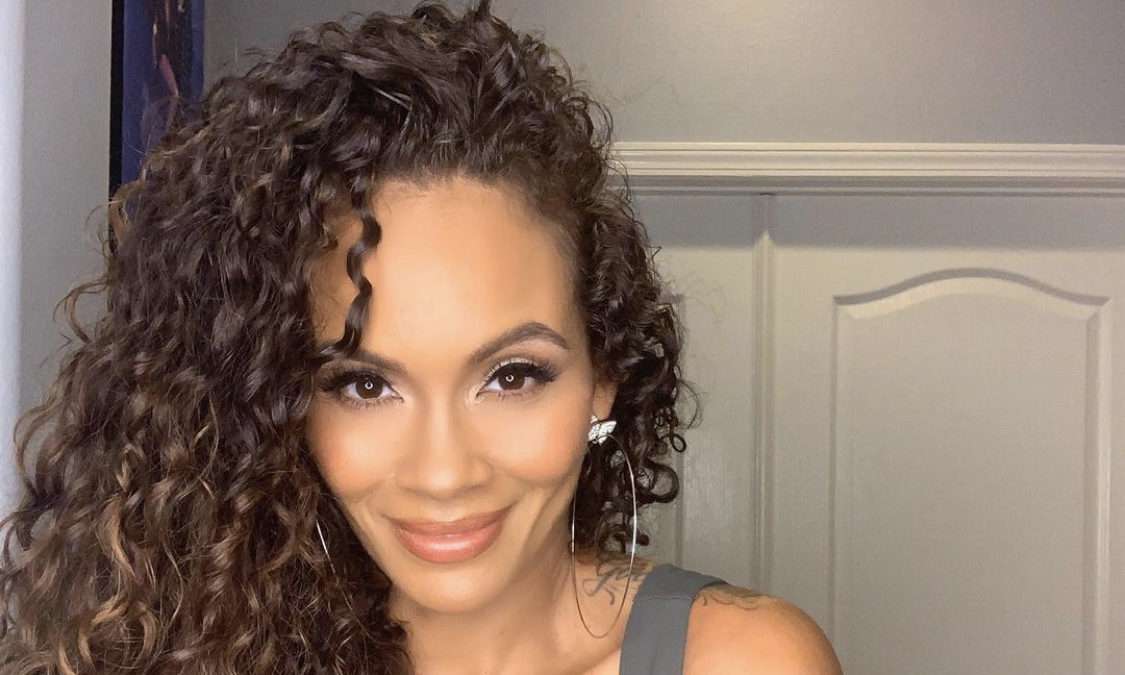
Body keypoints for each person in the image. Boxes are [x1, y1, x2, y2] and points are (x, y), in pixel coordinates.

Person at [0, 2, 842, 673]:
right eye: (364, 384)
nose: (443, 472)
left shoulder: (742, 660)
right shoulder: (210, 648)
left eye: (511, 374)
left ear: (601, 376)